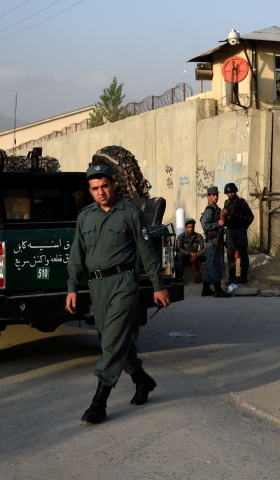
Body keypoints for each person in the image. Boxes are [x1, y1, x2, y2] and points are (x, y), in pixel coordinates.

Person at [65, 164, 171, 425]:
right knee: (113, 341)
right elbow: (76, 256)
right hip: (96, 286)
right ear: (89, 191)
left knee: (112, 342)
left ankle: (99, 402)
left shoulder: (131, 214)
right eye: (94, 188)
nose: (100, 192)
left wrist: (158, 286)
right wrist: (72, 288)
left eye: (104, 186)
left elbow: (147, 253)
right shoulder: (85, 217)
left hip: (124, 283)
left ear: (113, 185)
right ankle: (142, 380)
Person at [199, 186, 231, 298]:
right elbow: (204, 224)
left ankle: (206, 288)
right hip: (212, 241)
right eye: (213, 195)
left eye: (216, 194)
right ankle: (217, 289)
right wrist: (218, 223)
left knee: (209, 265)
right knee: (215, 264)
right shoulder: (209, 210)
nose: (215, 196)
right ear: (208, 197)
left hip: (215, 240)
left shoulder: (216, 209)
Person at [223, 182, 254, 286]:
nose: (230, 194)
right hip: (230, 231)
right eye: (228, 193)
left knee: (242, 252)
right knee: (230, 253)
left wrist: (244, 226)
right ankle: (232, 276)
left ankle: (243, 277)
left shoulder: (242, 203)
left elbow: (250, 216)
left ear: (235, 192)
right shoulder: (226, 203)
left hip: (240, 231)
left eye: (232, 192)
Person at [175, 219, 206, 294]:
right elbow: (178, 248)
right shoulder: (181, 237)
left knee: (206, 255)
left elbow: (204, 247)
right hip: (185, 258)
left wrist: (196, 255)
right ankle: (179, 278)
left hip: (196, 258)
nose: (191, 229)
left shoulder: (198, 236)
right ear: (186, 228)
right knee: (179, 256)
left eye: (192, 227)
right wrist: (190, 253)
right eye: (189, 227)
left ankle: (202, 276)